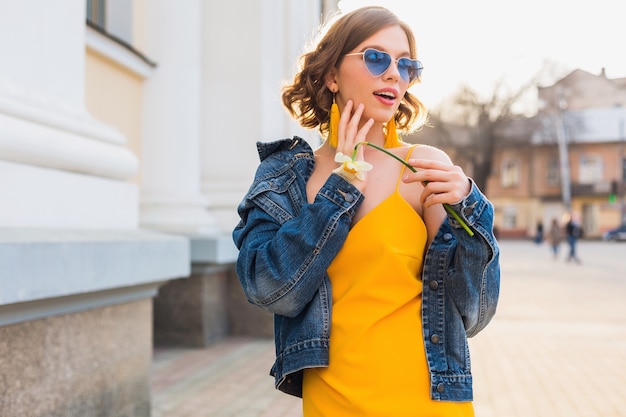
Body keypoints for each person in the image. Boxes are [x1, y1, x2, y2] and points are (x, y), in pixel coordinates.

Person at [232, 6, 500, 416]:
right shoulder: (283, 177)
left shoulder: (423, 167)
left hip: (423, 393)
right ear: (332, 75)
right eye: (377, 58)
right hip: (332, 396)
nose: (394, 74)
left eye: (406, 65)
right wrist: (343, 186)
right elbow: (268, 289)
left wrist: (470, 208)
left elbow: (473, 312)